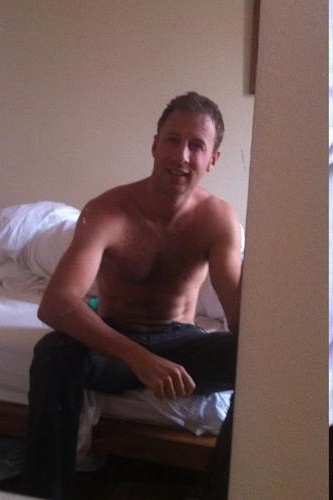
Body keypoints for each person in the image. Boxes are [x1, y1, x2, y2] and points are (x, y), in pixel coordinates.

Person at [23, 91, 242, 500]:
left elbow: (240, 318)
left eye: (197, 146)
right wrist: (140, 359)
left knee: (254, 362)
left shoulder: (218, 220)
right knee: (54, 353)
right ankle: (45, 492)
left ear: (213, 159)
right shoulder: (108, 210)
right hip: (115, 340)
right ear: (155, 145)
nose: (181, 155)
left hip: (181, 341)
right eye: (172, 139)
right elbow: (56, 303)